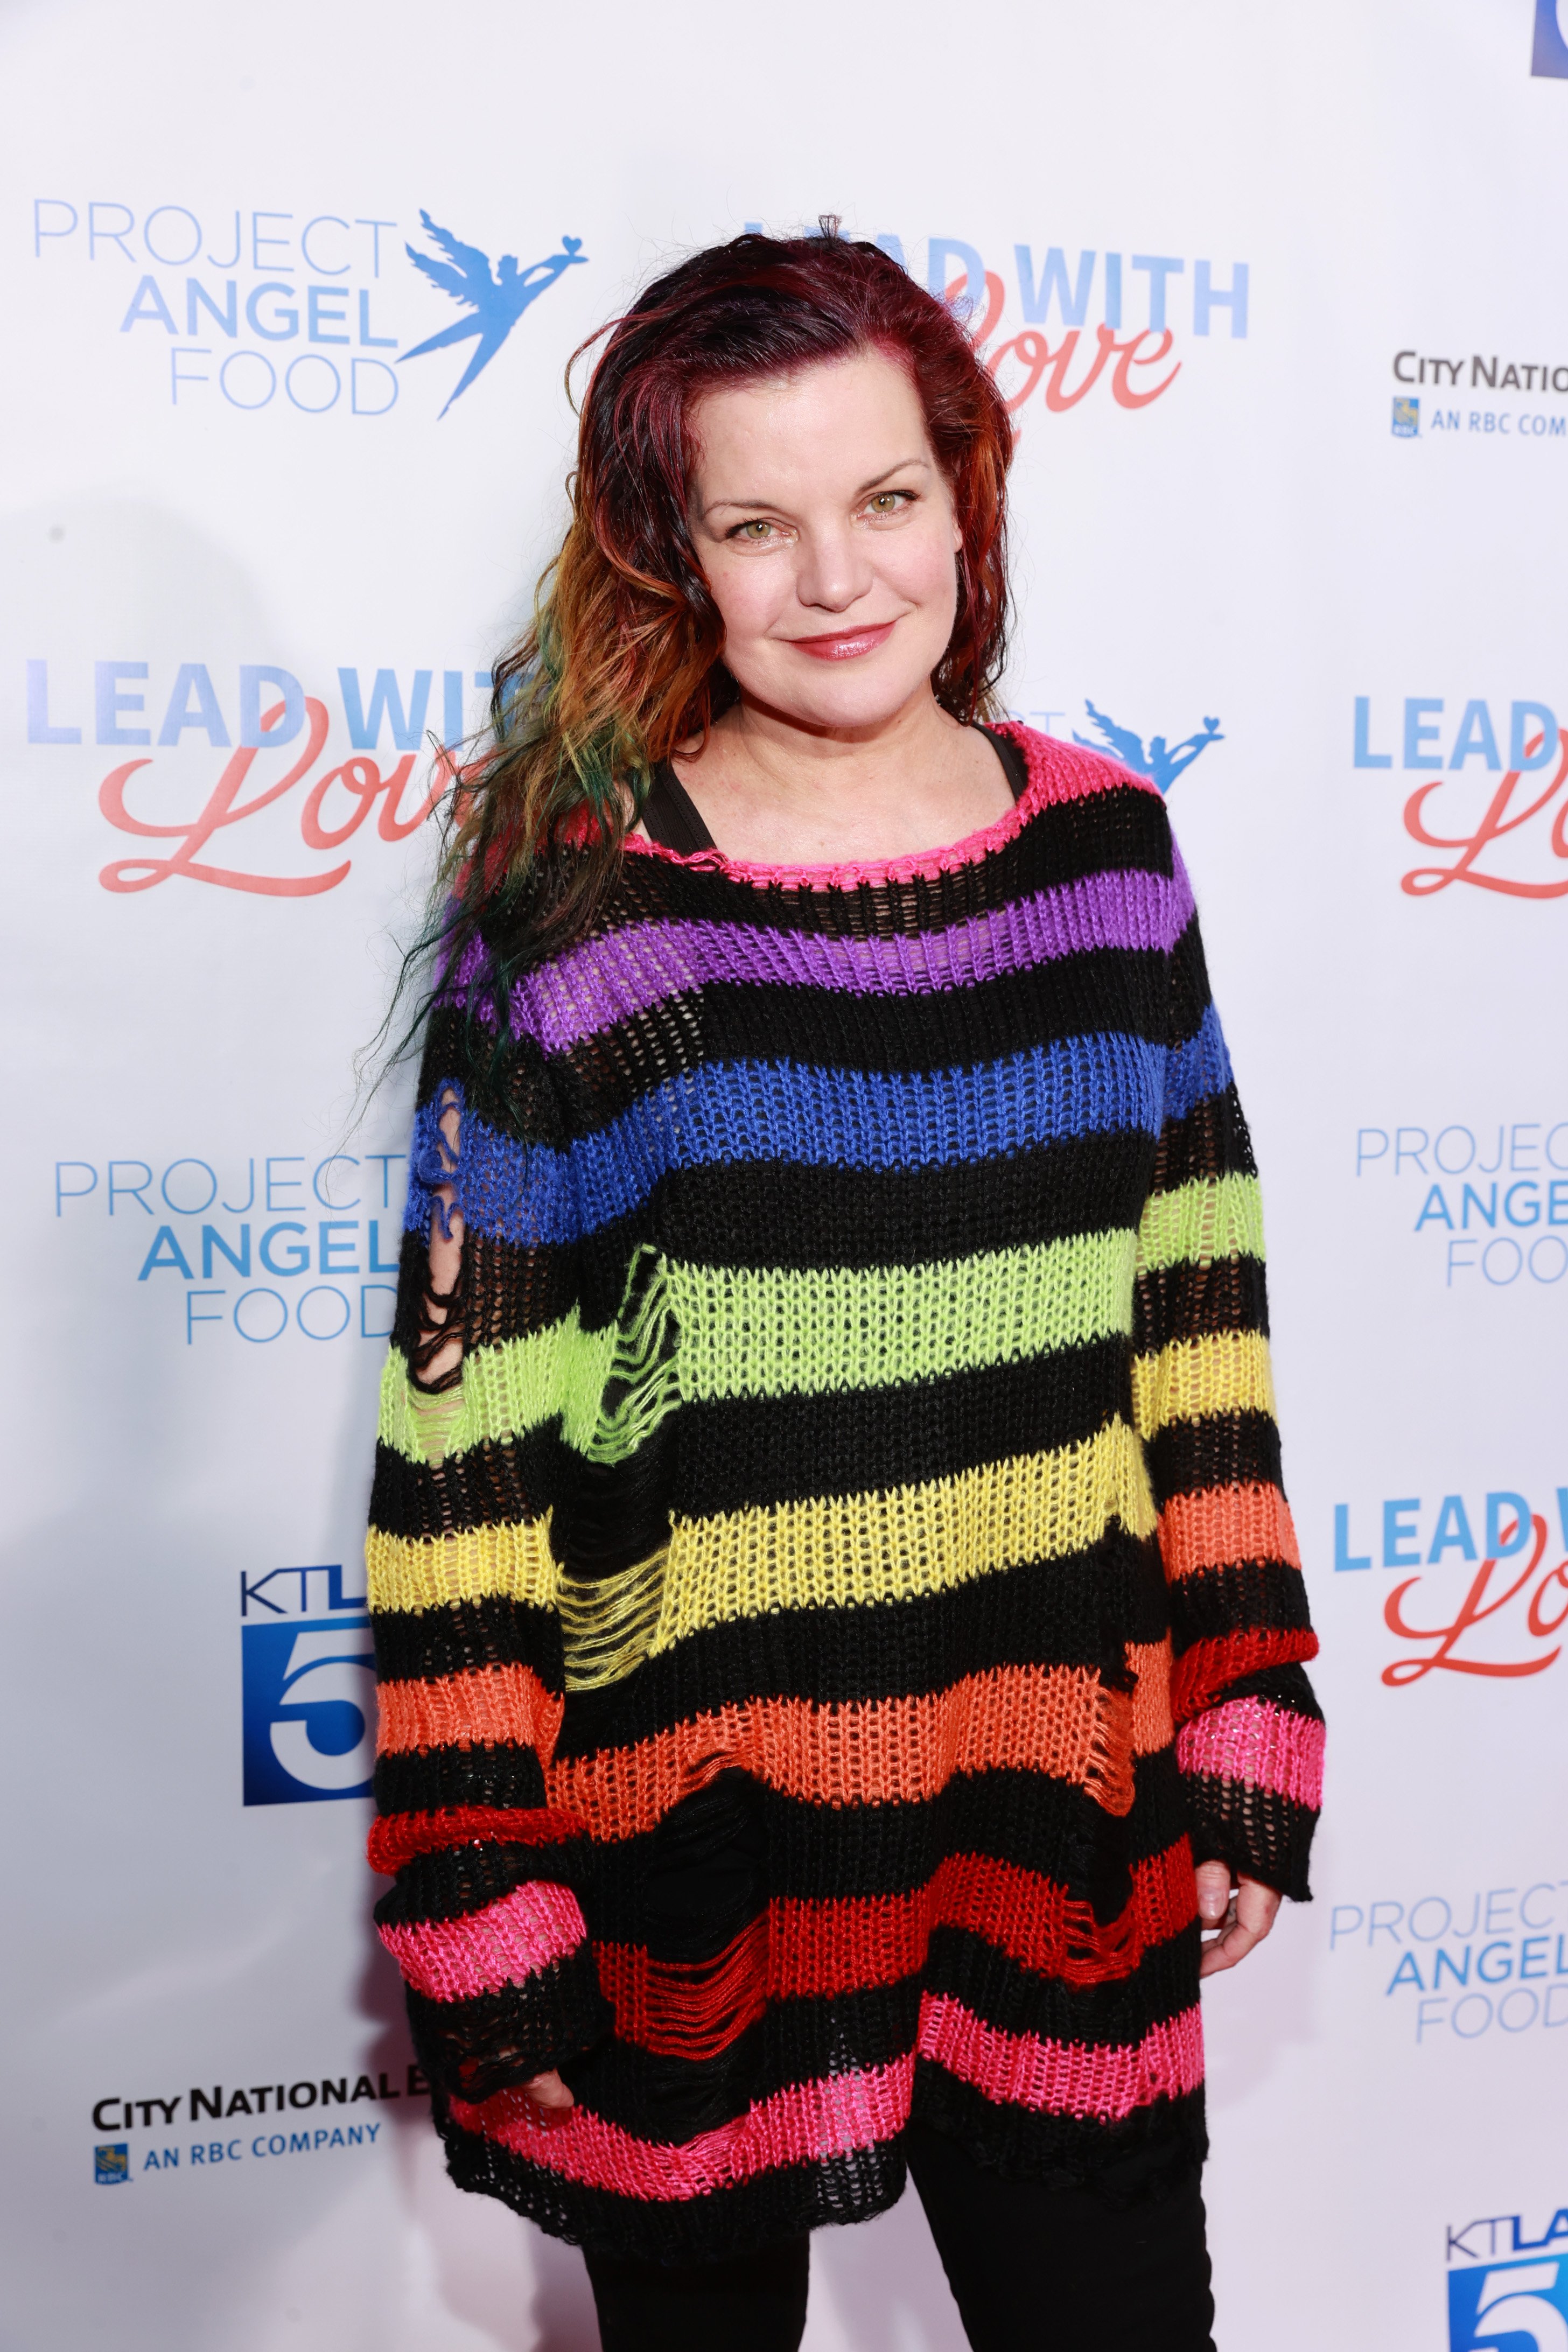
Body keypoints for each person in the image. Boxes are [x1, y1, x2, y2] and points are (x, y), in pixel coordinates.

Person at [365, 227, 1323, 2352]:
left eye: (884, 500)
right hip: (682, 1860)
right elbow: (464, 1464)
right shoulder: (581, 916)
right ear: (668, 554)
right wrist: (471, 1892)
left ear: (961, 491)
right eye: (755, 523)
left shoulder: (1104, 857)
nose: (835, 580)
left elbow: (1198, 1333)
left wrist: (1248, 1696)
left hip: (1045, 1813)